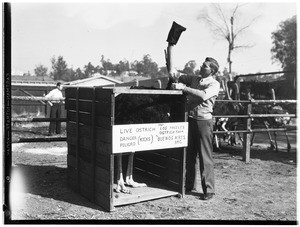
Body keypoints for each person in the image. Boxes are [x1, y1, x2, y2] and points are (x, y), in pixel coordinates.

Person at [171, 57, 220, 200]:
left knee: (205, 156)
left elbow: (203, 95)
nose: (201, 67)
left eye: (205, 66)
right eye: (202, 65)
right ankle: (189, 185)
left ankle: (209, 189)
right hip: (191, 120)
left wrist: (183, 88)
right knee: (190, 155)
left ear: (212, 70)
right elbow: (178, 76)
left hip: (204, 122)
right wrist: (174, 74)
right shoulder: (195, 79)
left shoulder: (214, 84)